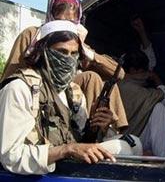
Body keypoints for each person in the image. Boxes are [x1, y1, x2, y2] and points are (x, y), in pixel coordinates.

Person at [0, 21, 141, 175]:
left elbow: (81, 142)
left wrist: (94, 126)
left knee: (133, 142)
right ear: (43, 51)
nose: (68, 59)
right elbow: (10, 156)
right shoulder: (20, 88)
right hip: (44, 167)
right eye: (62, 52)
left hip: (67, 161)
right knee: (126, 148)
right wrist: (67, 150)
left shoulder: (73, 91)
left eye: (74, 54)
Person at [0, 0, 128, 133]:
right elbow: (10, 75)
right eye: (59, 21)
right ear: (51, 18)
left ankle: (107, 131)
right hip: (39, 87)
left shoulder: (76, 42)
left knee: (106, 83)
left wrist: (87, 53)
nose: (63, 27)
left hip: (70, 93)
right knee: (91, 77)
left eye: (70, 23)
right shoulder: (33, 35)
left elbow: (119, 73)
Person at [118, 49, 165, 157]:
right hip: (129, 137)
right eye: (143, 71)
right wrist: (155, 78)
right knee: (159, 108)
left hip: (136, 133)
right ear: (133, 70)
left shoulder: (124, 83)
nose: (146, 74)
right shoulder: (130, 88)